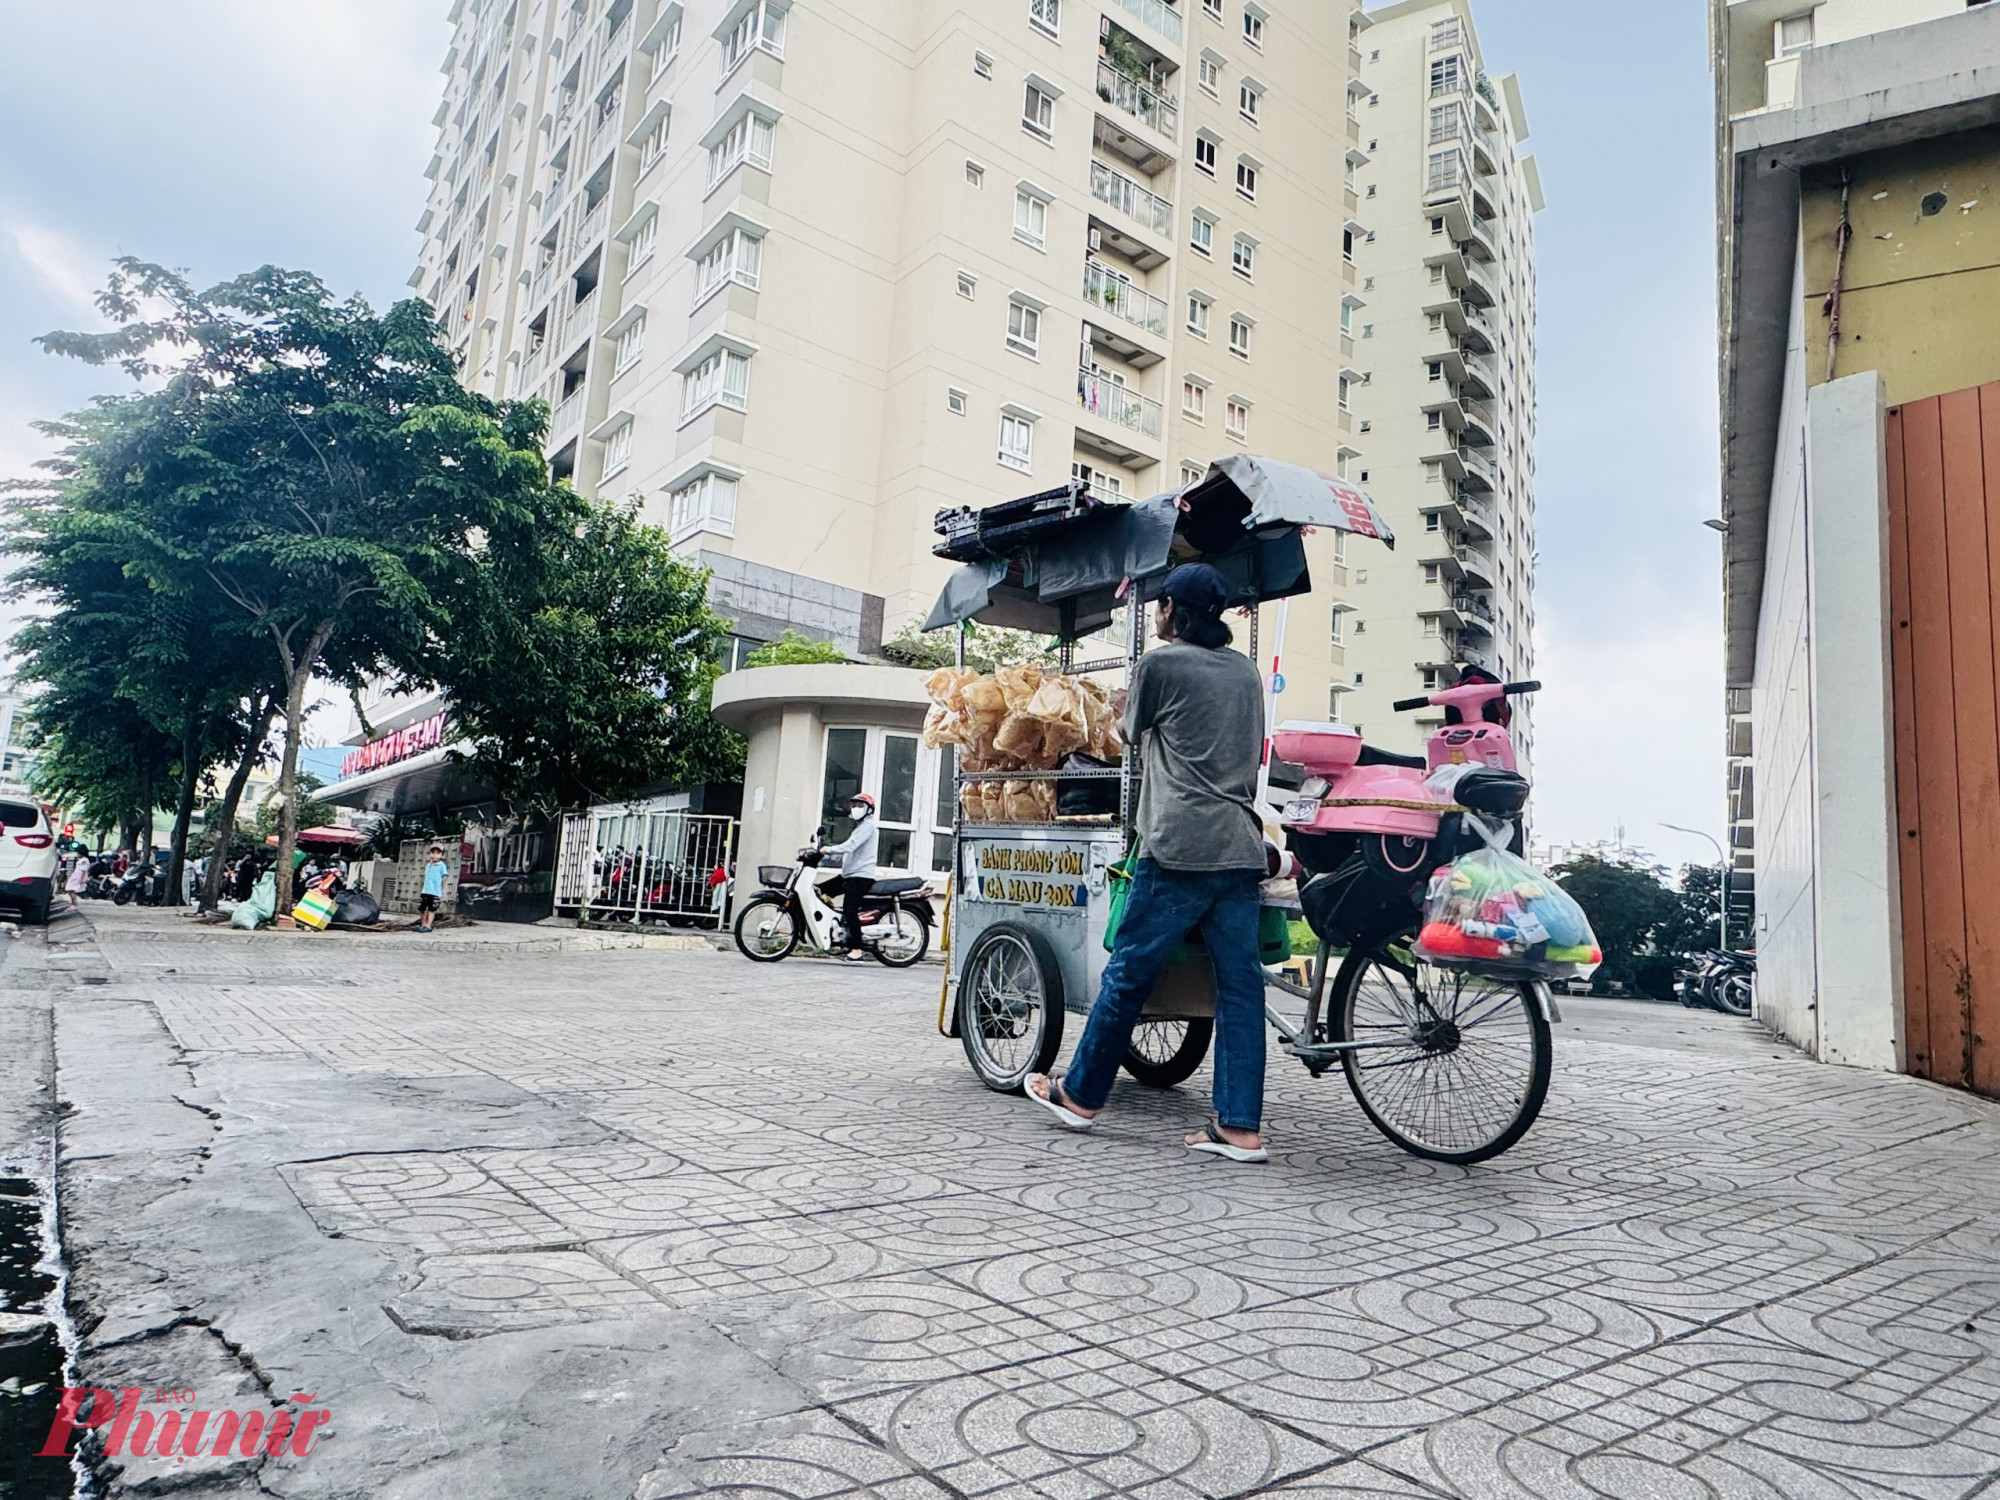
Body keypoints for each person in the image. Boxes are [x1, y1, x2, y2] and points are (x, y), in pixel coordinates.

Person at [1025, 562, 1274, 1163]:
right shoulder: (1245, 671)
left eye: (1160, 604)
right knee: (1240, 990)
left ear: (1173, 611)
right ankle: (1239, 1128)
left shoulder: (1159, 665)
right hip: (1239, 848)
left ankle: (1079, 1095)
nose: (1156, 613)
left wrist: (1121, 705)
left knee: (1129, 974)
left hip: (1178, 845)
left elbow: (1127, 733)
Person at [824, 792, 878, 963]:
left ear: (869, 810)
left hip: (861, 877)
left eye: (860, 806)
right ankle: (839, 930)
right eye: (853, 805)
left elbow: (851, 845)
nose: (855, 808)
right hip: (849, 875)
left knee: (850, 909)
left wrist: (829, 849)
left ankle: (856, 950)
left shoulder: (868, 827)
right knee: (821, 891)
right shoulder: (860, 827)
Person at [418, 843, 449, 933]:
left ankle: (428, 926)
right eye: (433, 852)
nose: (435, 855)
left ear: (442, 855)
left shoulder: (442, 865)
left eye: (438, 853)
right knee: (422, 908)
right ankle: (423, 924)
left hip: (435, 892)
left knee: (431, 910)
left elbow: (445, 877)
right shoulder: (428, 865)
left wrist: (443, 888)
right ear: (430, 854)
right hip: (425, 890)